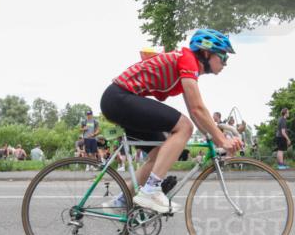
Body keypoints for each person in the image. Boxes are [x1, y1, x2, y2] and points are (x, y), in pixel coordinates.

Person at [99, 28, 242, 214]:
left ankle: (121, 201)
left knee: (159, 153)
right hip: (119, 98)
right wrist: (222, 140)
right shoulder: (187, 60)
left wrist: (212, 135)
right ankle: (151, 190)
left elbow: (194, 112)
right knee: (184, 127)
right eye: (223, 56)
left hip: (119, 101)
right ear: (206, 53)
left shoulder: (187, 67)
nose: (225, 63)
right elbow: (197, 109)